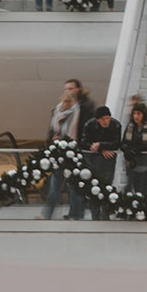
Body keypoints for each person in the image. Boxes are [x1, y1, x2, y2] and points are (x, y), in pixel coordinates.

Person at [43, 83, 87, 220]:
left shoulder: (78, 113)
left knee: (73, 187)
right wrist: (52, 140)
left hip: (73, 153)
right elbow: (52, 131)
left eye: (68, 101)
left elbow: (79, 132)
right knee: (54, 187)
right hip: (58, 153)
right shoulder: (56, 112)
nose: (65, 104)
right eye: (64, 101)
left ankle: (76, 214)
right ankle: (47, 214)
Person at [78, 106, 122, 219]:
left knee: (107, 186)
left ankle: (106, 213)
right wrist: (100, 149)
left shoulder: (116, 125)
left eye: (108, 118)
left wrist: (100, 145)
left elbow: (117, 143)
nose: (106, 121)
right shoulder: (89, 125)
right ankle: (95, 214)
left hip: (108, 161)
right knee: (93, 186)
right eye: (103, 119)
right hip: (93, 160)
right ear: (97, 119)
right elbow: (83, 142)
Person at [120, 98, 147, 194]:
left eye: (138, 114)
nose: (136, 116)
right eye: (134, 114)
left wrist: (143, 149)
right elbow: (123, 143)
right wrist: (127, 150)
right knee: (136, 191)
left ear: (144, 114)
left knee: (146, 191)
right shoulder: (130, 127)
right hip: (133, 165)